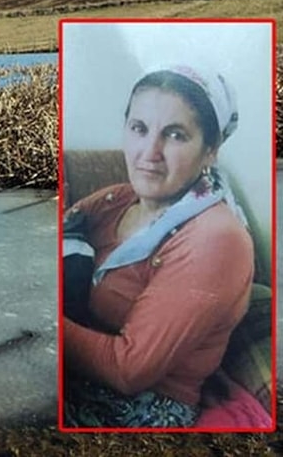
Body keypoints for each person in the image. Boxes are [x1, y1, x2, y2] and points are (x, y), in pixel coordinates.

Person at [61, 65, 253, 428]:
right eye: (139, 129)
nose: (149, 152)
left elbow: (128, 370)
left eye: (176, 135)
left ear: (211, 150)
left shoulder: (215, 240)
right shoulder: (116, 200)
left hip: (139, 405)